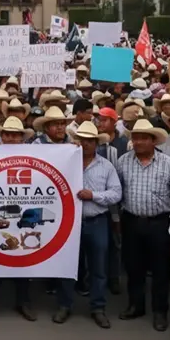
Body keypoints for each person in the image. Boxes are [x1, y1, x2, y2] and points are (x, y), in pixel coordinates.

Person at [54, 121, 122, 328]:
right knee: (67, 266)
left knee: (98, 267)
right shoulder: (66, 162)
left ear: (96, 143)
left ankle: (98, 307)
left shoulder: (106, 166)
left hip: (97, 220)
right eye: (82, 140)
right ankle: (65, 305)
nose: (85, 144)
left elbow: (116, 193)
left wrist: (94, 196)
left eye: (90, 141)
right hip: (70, 223)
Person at [115, 119, 170, 332]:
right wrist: (117, 220)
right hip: (131, 221)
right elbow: (117, 192)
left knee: (161, 269)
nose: (139, 142)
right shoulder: (123, 162)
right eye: (135, 138)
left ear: (153, 141)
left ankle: (160, 311)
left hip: (159, 223)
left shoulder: (168, 164)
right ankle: (136, 305)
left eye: (144, 138)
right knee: (134, 267)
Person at [0, 117, 36, 322]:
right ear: (2, 136)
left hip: (22, 218)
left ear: (22, 138)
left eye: (15, 135)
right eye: (7, 134)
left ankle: (23, 302)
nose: (11, 138)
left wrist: (73, 148)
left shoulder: (35, 154)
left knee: (23, 261)